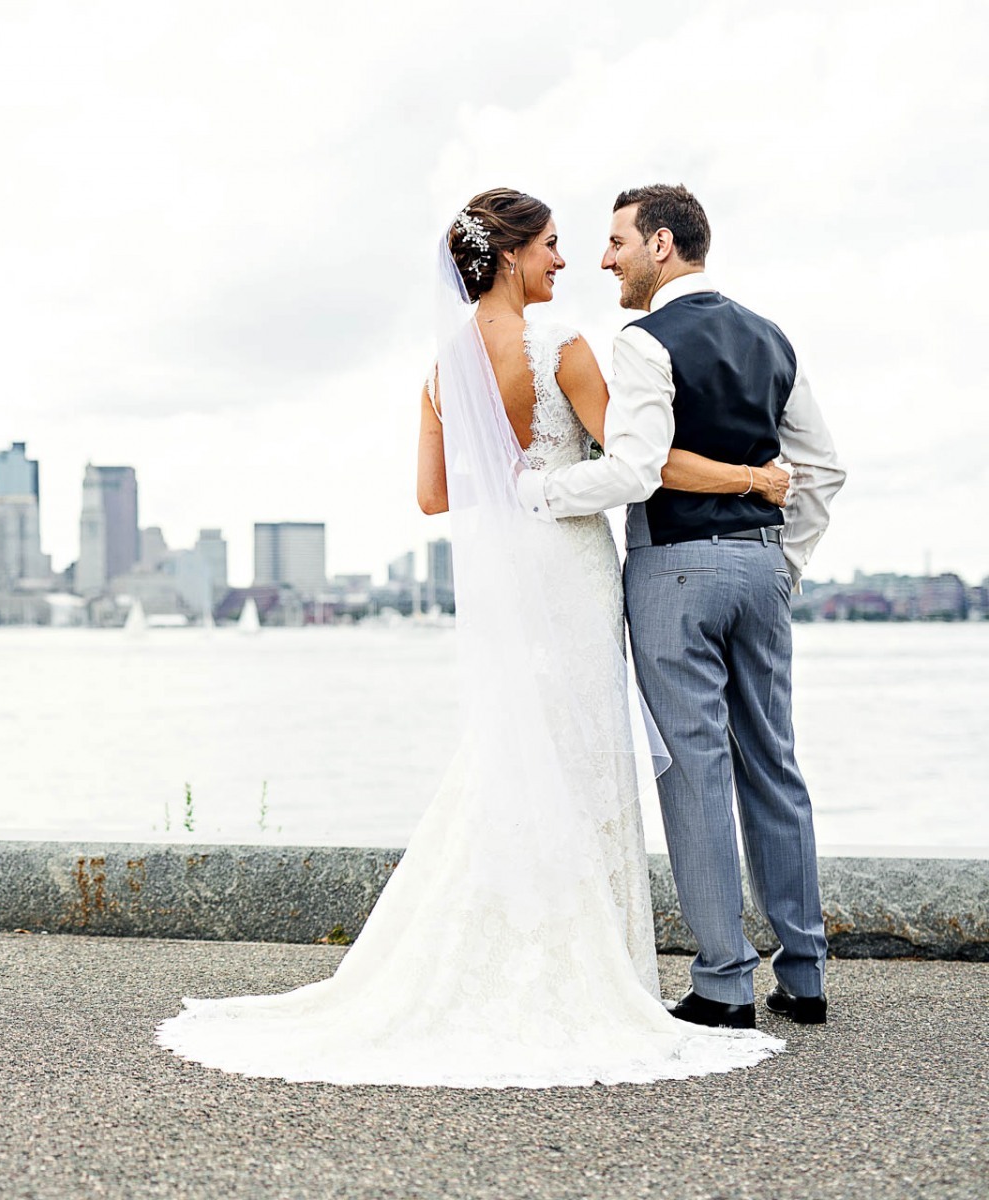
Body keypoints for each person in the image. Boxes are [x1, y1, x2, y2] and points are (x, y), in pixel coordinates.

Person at [153, 187, 785, 1087]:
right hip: (568, 566)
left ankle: (505, 938)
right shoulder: (562, 346)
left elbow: (434, 496)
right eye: (555, 247)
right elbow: (635, 466)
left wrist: (510, 469)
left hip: (508, 575)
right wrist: (750, 480)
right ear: (514, 254)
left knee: (516, 753)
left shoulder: (441, 366)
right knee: (579, 751)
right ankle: (593, 966)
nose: (566, 262)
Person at [515, 184, 844, 1028]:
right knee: (775, 761)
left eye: (617, 240)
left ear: (662, 245)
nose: (604, 259)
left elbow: (637, 469)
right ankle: (803, 974)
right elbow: (823, 469)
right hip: (763, 569)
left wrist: (543, 492)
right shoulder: (773, 337)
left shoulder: (644, 340)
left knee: (695, 770)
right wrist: (785, 565)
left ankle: (727, 985)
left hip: (674, 573)